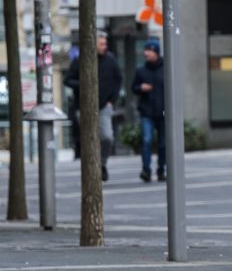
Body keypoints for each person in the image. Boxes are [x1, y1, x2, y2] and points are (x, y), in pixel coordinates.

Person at [64, 31, 123, 181]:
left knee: (107, 137)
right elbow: (68, 80)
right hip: (83, 106)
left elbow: (118, 80)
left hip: (104, 106)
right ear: (93, 45)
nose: (105, 47)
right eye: (101, 44)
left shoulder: (110, 60)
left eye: (105, 44)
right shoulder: (80, 60)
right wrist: (82, 84)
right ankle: (91, 168)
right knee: (88, 139)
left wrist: (112, 100)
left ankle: (102, 163)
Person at [132, 39, 166, 183]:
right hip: (147, 112)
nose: (146, 53)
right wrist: (141, 88)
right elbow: (133, 87)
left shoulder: (166, 68)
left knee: (163, 143)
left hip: (163, 113)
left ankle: (161, 170)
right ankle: (146, 170)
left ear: (156, 52)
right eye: (145, 50)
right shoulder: (141, 71)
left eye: (149, 50)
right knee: (146, 141)